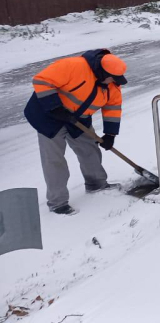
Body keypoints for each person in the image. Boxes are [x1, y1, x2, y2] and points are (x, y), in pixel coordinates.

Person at [24, 49, 127, 215]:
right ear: (102, 72)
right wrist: (54, 107)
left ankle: (96, 184)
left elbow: (112, 107)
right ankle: (57, 203)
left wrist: (110, 134)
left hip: (78, 118)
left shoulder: (111, 84)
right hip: (48, 116)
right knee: (54, 159)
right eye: (112, 78)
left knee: (90, 150)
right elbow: (41, 80)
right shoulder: (73, 66)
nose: (113, 82)